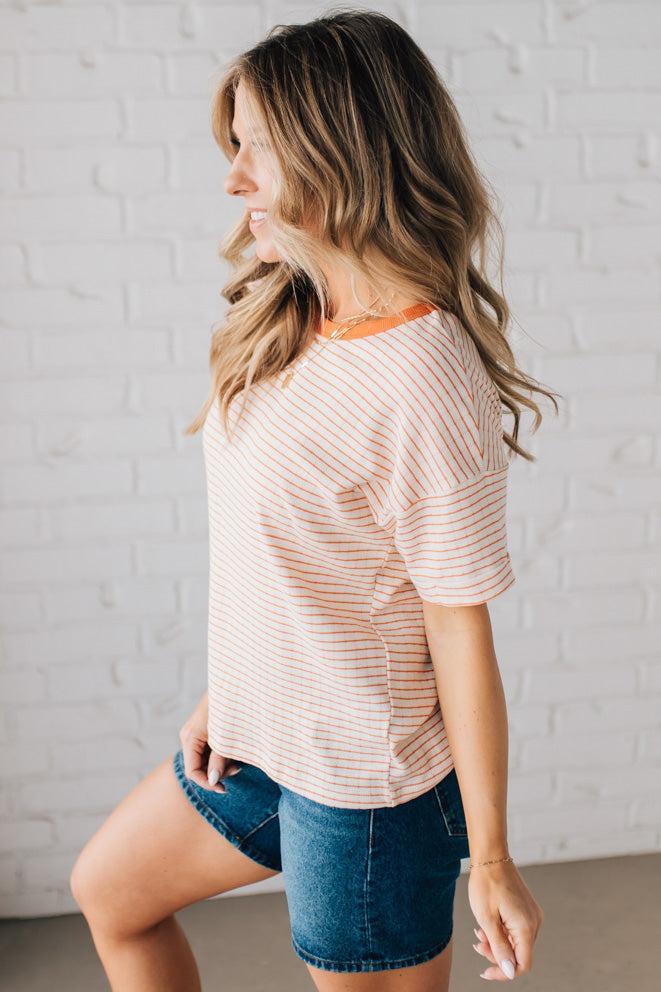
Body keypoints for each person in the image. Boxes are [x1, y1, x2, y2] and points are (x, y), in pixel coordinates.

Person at [70, 9, 557, 990]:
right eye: (234, 145)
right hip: (257, 741)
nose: (233, 178)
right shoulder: (291, 310)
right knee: (111, 892)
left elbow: (455, 626)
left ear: (342, 152)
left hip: (366, 791)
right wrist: (229, 691)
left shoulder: (422, 374)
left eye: (256, 147)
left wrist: (493, 858)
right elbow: (293, 551)